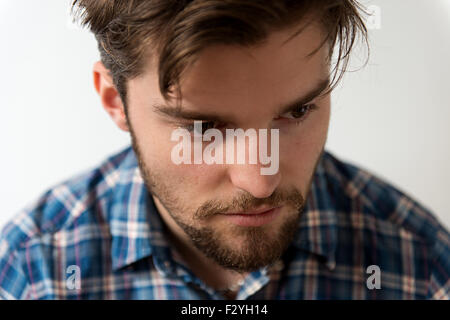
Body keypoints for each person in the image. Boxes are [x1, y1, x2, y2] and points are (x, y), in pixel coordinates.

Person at [0, 0, 448, 300]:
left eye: (297, 112)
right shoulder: (33, 274)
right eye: (203, 128)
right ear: (115, 101)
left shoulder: (421, 267)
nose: (260, 180)